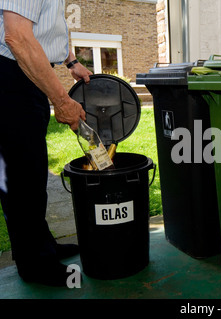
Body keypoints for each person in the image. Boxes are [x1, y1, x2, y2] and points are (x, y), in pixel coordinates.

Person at [0, 1, 92, 287]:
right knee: (21, 178)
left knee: (32, 171)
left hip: (26, 74)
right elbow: (17, 36)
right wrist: (62, 100)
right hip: (10, 77)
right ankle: (34, 264)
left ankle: (43, 246)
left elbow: (45, 28)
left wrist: (71, 62)